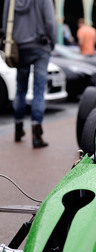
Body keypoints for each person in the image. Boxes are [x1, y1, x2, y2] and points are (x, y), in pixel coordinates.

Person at [2, 0, 57, 148]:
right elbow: (51, 21)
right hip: (40, 46)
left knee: (21, 89)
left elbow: (6, 20)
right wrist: (53, 42)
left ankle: (18, 129)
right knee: (39, 90)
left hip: (19, 47)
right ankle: (36, 134)